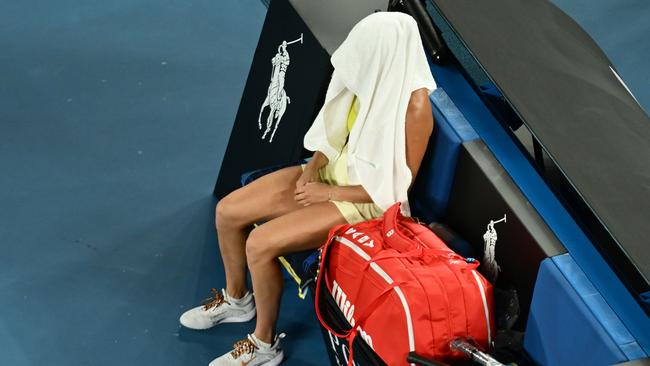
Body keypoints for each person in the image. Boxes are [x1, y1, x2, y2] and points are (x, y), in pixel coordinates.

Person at [179, 11, 436, 366]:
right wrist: (313, 167)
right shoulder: (370, 80)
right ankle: (237, 300)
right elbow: (333, 135)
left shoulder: (416, 111)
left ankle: (264, 344)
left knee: (259, 243)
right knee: (228, 212)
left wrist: (328, 194)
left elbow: (391, 195)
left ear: (385, 55)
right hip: (329, 176)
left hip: (363, 204)